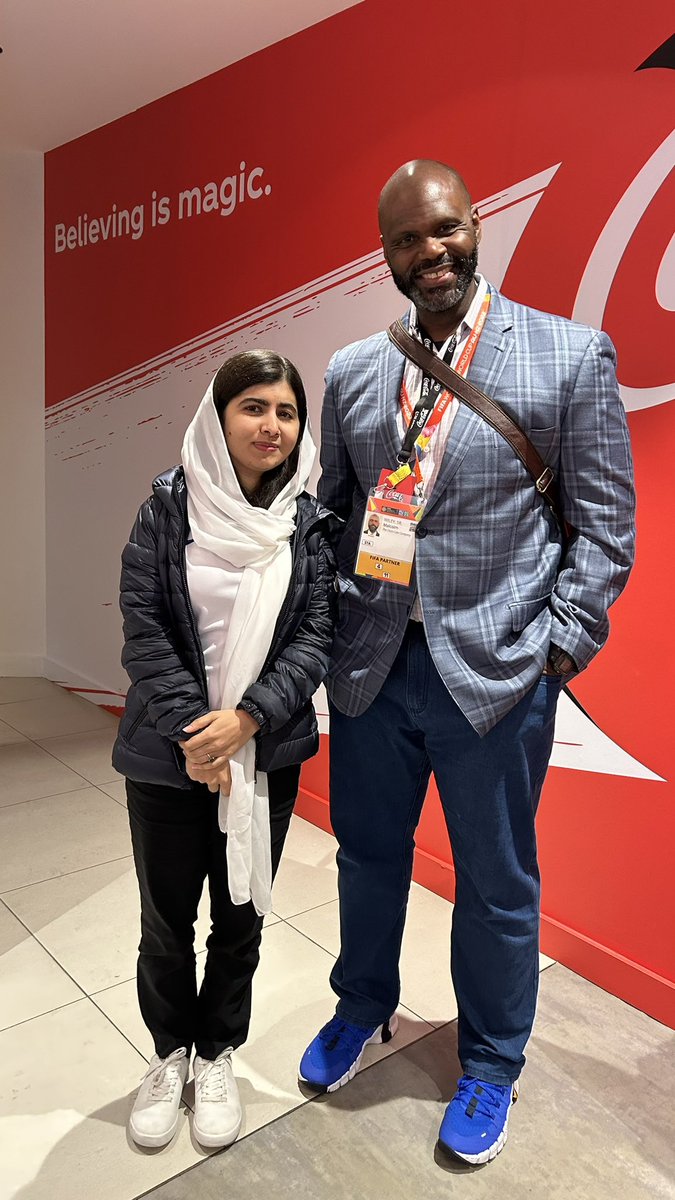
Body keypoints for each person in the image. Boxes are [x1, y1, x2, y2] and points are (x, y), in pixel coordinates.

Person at [298, 160, 635, 1164]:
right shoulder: (356, 370)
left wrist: (556, 650)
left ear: (473, 224)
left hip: (494, 676)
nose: (428, 253)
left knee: (495, 880)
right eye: (405, 240)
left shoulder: (569, 356)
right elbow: (338, 510)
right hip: (369, 672)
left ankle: (490, 1061)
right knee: (366, 858)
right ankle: (362, 1007)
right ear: (387, 254)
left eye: (441, 229)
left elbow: (606, 528)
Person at [112, 350, 336, 1150]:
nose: (270, 425)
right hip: (168, 757)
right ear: (217, 415)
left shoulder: (307, 523)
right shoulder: (167, 509)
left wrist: (245, 720)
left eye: (285, 411)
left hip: (263, 750)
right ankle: (169, 1052)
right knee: (166, 924)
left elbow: (316, 635)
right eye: (253, 406)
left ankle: (216, 1053)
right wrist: (193, 732)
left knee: (238, 920)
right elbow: (145, 627)